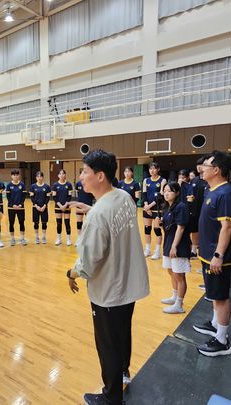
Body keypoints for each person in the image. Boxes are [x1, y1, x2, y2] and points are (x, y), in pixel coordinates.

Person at [65, 149, 149, 405]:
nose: (81, 177)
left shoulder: (98, 215)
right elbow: (108, 213)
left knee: (107, 345)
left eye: (85, 172)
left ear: (100, 176)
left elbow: (88, 263)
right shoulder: (123, 196)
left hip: (108, 294)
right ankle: (123, 373)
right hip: (128, 286)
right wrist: (91, 208)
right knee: (123, 334)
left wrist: (71, 272)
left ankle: (111, 397)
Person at [193, 150, 231, 357]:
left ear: (217, 170)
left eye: (207, 166)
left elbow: (227, 227)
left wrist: (218, 255)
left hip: (216, 256)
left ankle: (222, 341)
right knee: (213, 294)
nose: (203, 169)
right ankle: (215, 324)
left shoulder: (226, 193)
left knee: (220, 297)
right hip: (207, 252)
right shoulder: (213, 190)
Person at [159, 181, 192, 314]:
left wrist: (174, 246)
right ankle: (174, 296)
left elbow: (181, 227)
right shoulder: (166, 207)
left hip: (178, 245)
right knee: (171, 271)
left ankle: (179, 303)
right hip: (168, 243)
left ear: (177, 193)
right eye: (165, 190)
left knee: (179, 274)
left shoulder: (181, 207)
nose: (166, 193)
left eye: (170, 191)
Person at [142, 162, 167, 260]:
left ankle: (157, 251)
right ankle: (147, 249)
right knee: (147, 229)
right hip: (147, 208)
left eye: (154, 168)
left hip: (157, 208)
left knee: (157, 230)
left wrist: (150, 206)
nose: (152, 170)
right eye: (150, 169)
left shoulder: (162, 180)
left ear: (158, 169)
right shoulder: (146, 180)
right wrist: (145, 205)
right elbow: (144, 194)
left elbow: (160, 196)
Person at [189, 157, 208, 261]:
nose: (199, 167)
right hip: (194, 210)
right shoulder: (194, 180)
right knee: (194, 230)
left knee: (205, 231)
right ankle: (193, 250)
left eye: (201, 165)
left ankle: (204, 251)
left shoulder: (208, 181)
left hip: (205, 210)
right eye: (197, 165)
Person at [52, 169, 74, 246]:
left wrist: (65, 205)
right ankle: (59, 239)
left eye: (63, 173)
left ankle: (68, 239)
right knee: (59, 223)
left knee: (67, 223)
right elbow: (54, 197)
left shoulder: (69, 185)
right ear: (58, 175)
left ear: (65, 175)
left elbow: (69, 196)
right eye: (60, 173)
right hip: (58, 207)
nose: (62, 175)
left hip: (66, 206)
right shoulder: (55, 185)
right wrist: (60, 205)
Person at [5, 169, 27, 246]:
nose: (15, 176)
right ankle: (12, 239)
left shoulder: (22, 185)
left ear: (19, 176)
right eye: (14, 175)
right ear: (11, 176)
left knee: (21, 222)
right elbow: (8, 197)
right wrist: (12, 204)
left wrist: (20, 204)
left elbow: (24, 196)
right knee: (11, 223)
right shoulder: (8, 185)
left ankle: (22, 238)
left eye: (17, 175)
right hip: (11, 208)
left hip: (21, 207)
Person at [72, 172, 95, 245]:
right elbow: (77, 194)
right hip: (79, 205)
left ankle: (87, 239)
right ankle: (79, 238)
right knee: (79, 222)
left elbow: (93, 195)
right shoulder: (78, 184)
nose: (82, 176)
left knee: (88, 223)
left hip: (88, 205)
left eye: (84, 174)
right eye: (81, 174)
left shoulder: (90, 183)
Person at [29, 171, 51, 244]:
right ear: (36, 178)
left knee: (44, 223)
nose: (39, 178)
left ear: (42, 177)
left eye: (40, 176)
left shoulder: (47, 187)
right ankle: (36, 237)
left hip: (44, 207)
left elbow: (48, 198)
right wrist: (36, 206)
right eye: (38, 176)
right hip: (35, 207)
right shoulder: (33, 186)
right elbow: (32, 197)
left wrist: (44, 205)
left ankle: (44, 237)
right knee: (36, 223)